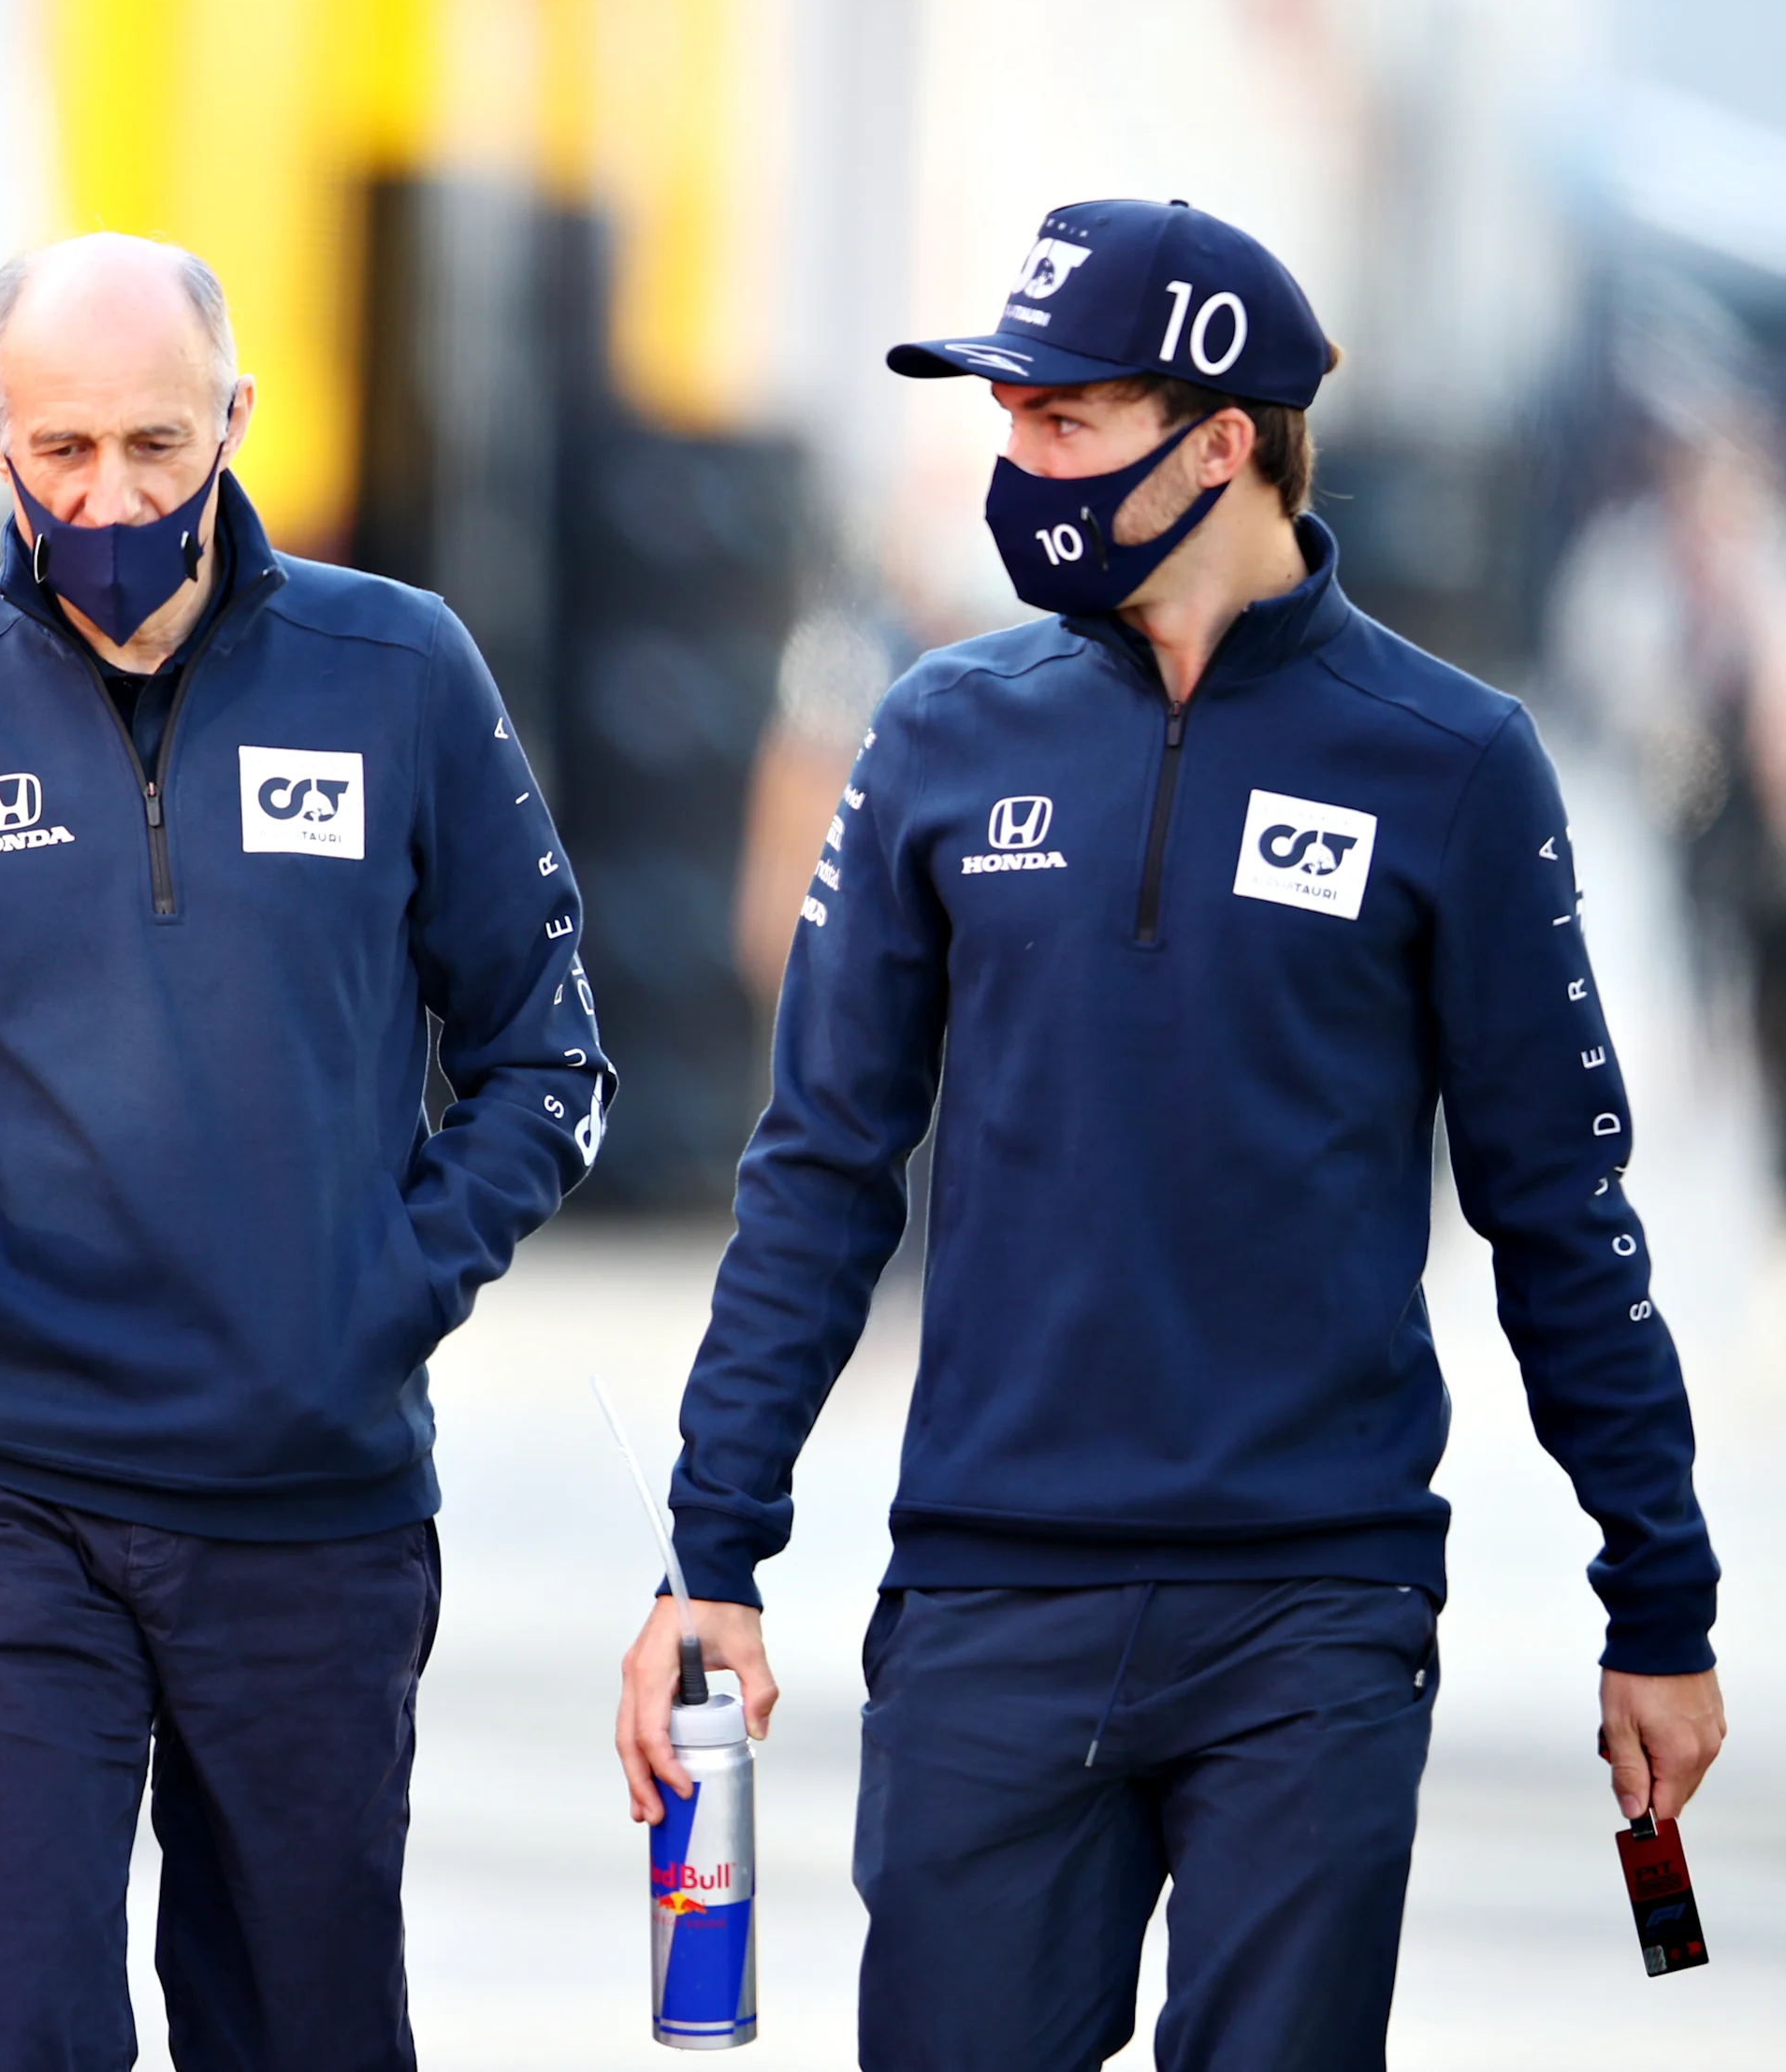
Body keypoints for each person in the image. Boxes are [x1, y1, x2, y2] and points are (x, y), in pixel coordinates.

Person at [612, 199, 1725, 2071]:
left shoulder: (1447, 764)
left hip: (1314, 1603)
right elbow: (815, 1167)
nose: (1015, 461)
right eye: (1008, 416)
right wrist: (707, 1552)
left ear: (1223, 439)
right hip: (986, 1591)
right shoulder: (939, 733)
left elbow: (1559, 1211)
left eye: (1064, 420)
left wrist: (1658, 1590)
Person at [0, 232, 613, 2072]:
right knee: (7, 2030)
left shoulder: (402, 670)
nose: (112, 494)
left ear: (235, 417)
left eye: (155, 444)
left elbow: (548, 1053)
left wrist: (383, 1288)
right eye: (62, 453)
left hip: (313, 1501)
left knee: (299, 2029)